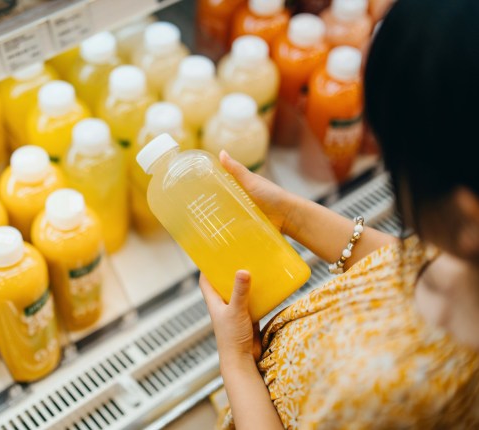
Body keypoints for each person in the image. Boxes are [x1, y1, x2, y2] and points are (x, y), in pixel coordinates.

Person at [201, 0, 479, 428]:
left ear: (467, 215)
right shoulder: (463, 259)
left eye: (397, 163)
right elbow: (406, 262)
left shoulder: (391, 401)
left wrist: (236, 360)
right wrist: (290, 213)